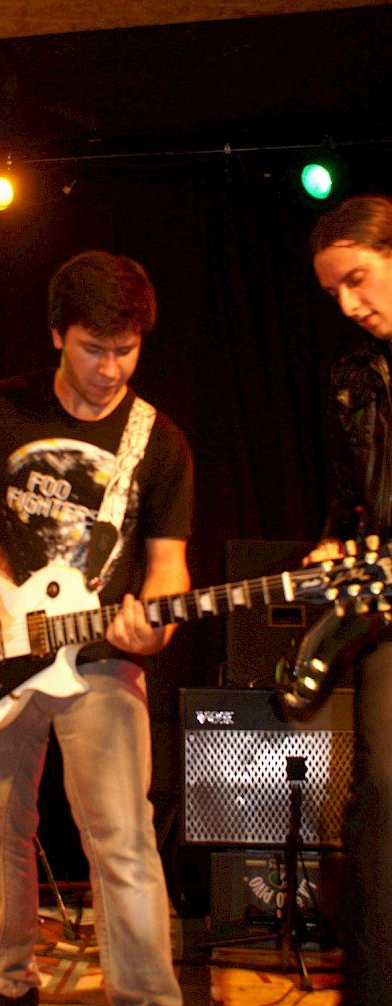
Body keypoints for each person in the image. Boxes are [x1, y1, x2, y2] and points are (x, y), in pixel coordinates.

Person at [0, 249, 193, 1006]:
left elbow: (168, 568)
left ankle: (146, 997)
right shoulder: (1, 406)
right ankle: (5, 977)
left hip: (98, 656)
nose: (110, 369)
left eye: (125, 350)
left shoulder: (158, 441)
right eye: (94, 349)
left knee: (121, 838)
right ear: (58, 334)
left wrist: (155, 631)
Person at [306, 194, 392, 1006]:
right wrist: (336, 541)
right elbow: (350, 497)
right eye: (334, 290)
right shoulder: (348, 376)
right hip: (389, 600)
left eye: (357, 279)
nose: (347, 304)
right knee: (382, 787)